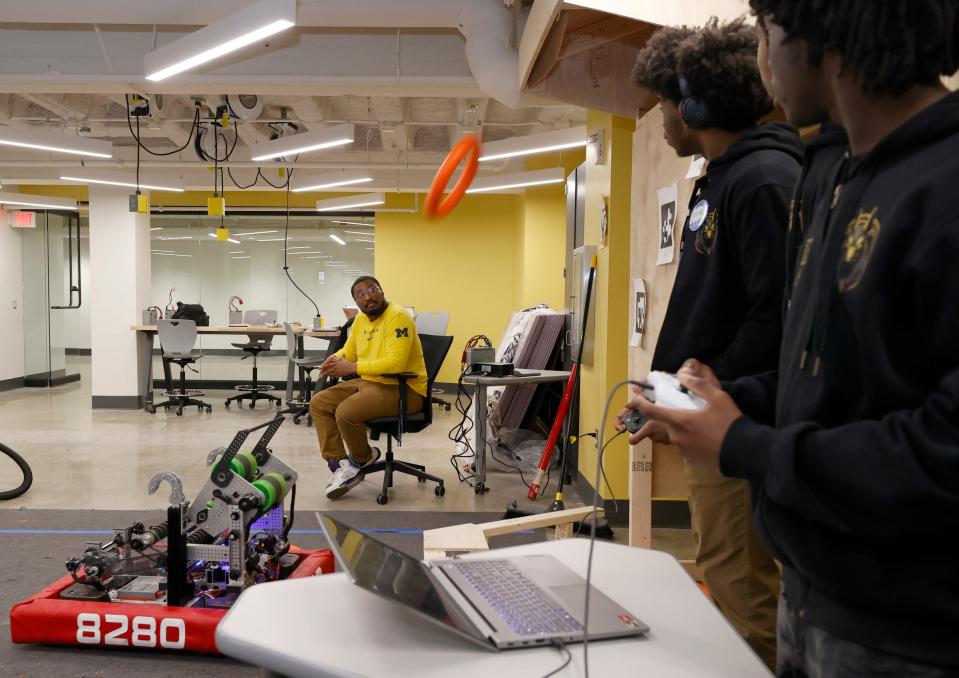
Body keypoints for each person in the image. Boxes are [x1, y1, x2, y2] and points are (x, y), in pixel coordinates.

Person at [626, 1, 959, 674]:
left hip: (911, 631)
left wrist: (744, 443)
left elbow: (944, 444)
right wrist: (727, 402)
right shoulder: (841, 175)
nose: (759, 60)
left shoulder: (942, 185)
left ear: (826, 40)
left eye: (768, 34)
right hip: (821, 596)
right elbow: (830, 372)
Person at [630, 18, 803, 668]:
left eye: (661, 102)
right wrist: (667, 394)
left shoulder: (761, 180)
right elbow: (719, 310)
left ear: (694, 104)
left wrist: (705, 396)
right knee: (728, 581)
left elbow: (776, 318)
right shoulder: (729, 177)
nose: (659, 117)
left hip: (740, 421)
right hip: (715, 415)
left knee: (743, 598)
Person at [310, 276, 427, 499]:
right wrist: (333, 359)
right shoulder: (360, 320)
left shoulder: (398, 317)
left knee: (345, 412)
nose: (368, 297)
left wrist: (351, 367)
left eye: (372, 290)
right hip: (370, 382)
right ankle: (341, 466)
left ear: (382, 291)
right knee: (318, 403)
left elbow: (396, 364)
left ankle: (361, 459)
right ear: (356, 301)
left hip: (404, 389)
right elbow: (349, 350)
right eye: (360, 294)